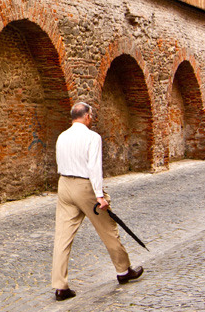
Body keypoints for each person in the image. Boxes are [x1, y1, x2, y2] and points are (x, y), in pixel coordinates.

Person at [51, 102, 144, 301]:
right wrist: (99, 195)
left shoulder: (62, 136)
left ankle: (60, 286)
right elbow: (94, 167)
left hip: (64, 185)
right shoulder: (92, 137)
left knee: (62, 237)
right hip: (85, 187)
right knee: (108, 228)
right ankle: (123, 270)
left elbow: (59, 162)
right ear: (87, 117)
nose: (91, 119)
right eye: (91, 115)